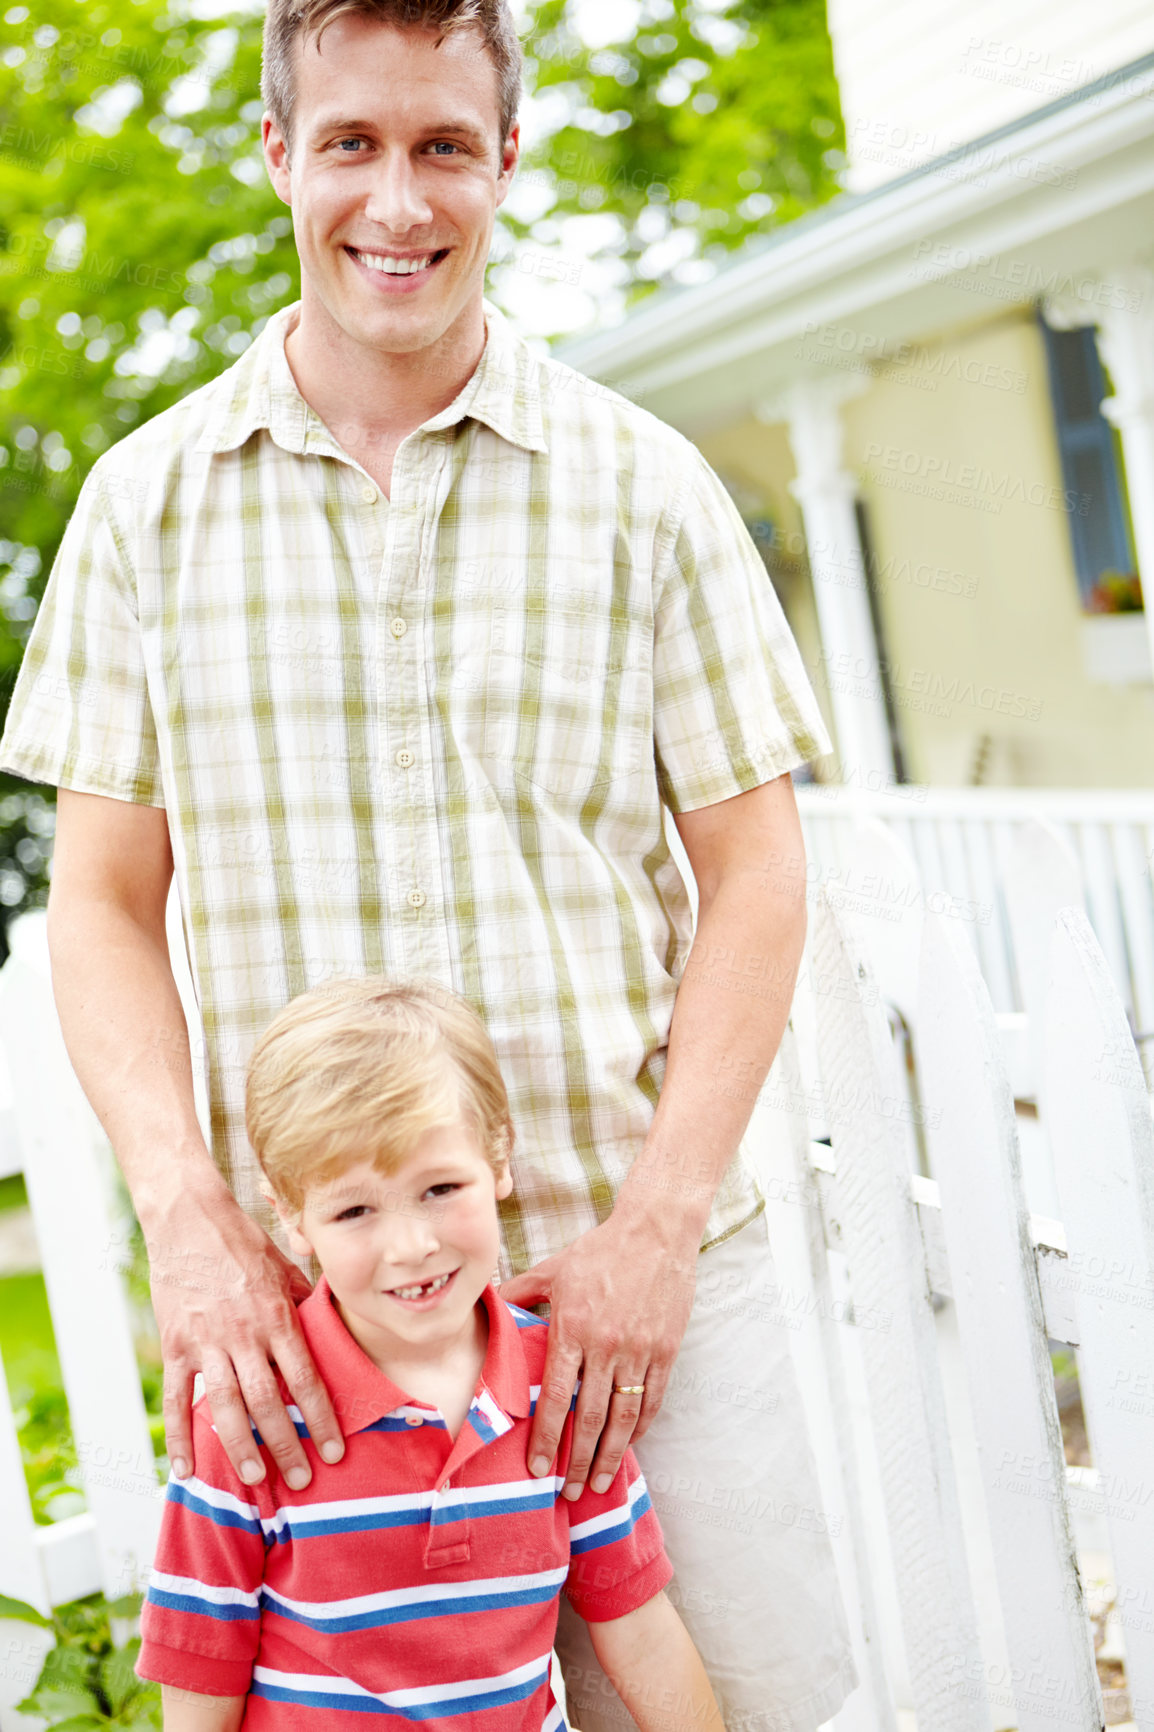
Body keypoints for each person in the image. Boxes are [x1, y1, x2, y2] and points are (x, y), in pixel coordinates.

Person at [0, 0, 857, 1723]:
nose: (396, 199)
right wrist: (187, 1216)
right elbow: (94, 904)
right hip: (318, 1328)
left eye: (441, 146)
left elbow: (753, 875)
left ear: (504, 162)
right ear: (277, 157)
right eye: (352, 144)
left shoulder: (645, 487)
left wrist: (658, 1227)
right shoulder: (145, 507)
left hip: (637, 1291)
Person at [137, 975, 724, 1732]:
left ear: (500, 1158)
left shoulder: (560, 1388)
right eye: (353, 1210)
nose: (411, 1246)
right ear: (288, 1214)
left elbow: (639, 1628)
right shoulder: (250, 1420)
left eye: (440, 1188)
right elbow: (198, 1680)